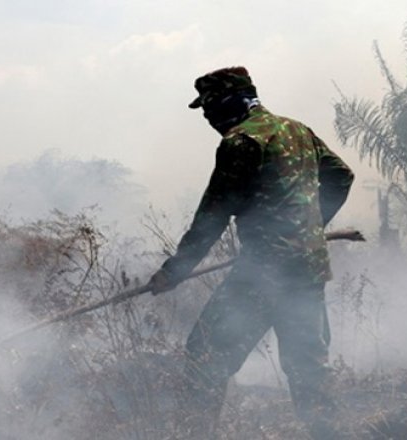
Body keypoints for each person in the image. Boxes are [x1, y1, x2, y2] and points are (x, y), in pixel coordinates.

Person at [149, 66, 354, 439]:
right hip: (308, 271)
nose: (207, 117)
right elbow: (342, 175)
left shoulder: (241, 143)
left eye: (209, 106)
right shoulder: (297, 130)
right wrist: (309, 227)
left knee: (205, 355)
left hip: (263, 273)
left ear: (232, 101)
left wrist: (174, 271)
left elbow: (211, 217)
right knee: (309, 371)